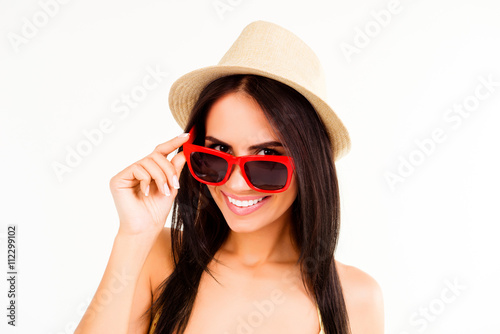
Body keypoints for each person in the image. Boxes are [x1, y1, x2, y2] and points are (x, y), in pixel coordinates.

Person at [75, 21, 384, 334]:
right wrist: (133, 236)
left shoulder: (355, 297)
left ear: (310, 165)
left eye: (266, 159)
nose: (235, 184)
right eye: (217, 152)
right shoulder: (157, 255)